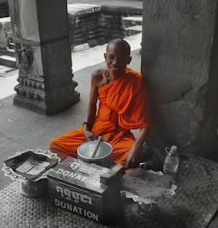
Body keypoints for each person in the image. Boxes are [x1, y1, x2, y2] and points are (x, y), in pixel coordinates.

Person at [49, 38, 151, 169]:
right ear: (105, 57)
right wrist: (86, 129)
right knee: (55, 144)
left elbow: (146, 121)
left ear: (129, 60)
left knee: (131, 157)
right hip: (95, 131)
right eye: (111, 57)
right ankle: (91, 167)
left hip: (118, 135)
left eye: (121, 59)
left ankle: (96, 166)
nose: (115, 62)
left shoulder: (135, 80)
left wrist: (137, 146)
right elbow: (91, 106)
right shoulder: (97, 76)